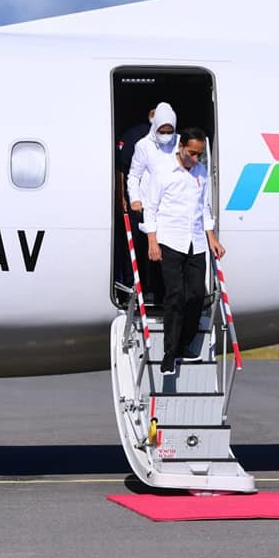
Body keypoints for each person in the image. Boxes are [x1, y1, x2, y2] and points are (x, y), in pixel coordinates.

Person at [144, 127, 224, 375]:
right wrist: (152, 241)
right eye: (191, 153)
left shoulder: (200, 172)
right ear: (181, 148)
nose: (195, 159)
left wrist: (212, 239)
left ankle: (183, 345)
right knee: (175, 296)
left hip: (196, 242)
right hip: (170, 240)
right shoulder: (163, 171)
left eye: (199, 155)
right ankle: (170, 353)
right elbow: (151, 207)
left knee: (197, 295)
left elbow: (205, 208)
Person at [125, 103, 179, 294]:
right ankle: (145, 289)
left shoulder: (180, 144)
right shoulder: (143, 145)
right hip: (148, 206)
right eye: (161, 131)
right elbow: (133, 175)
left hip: (171, 207)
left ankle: (163, 291)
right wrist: (135, 199)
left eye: (169, 131)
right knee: (146, 252)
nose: (165, 135)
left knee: (168, 253)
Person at [115, 105, 159, 288]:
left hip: (159, 203)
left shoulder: (174, 140)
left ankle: (155, 289)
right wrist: (122, 197)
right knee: (134, 246)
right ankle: (133, 285)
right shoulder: (135, 136)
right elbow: (122, 169)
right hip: (137, 202)